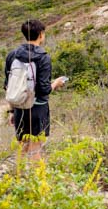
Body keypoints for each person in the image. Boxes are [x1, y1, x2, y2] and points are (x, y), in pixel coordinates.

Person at [4, 19, 66, 155]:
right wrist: (56, 83)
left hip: (19, 108)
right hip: (38, 109)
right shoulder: (43, 57)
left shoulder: (12, 55)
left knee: (22, 147)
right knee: (36, 149)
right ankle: (35, 169)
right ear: (41, 34)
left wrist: (12, 111)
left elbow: (8, 86)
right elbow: (44, 89)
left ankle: (20, 168)